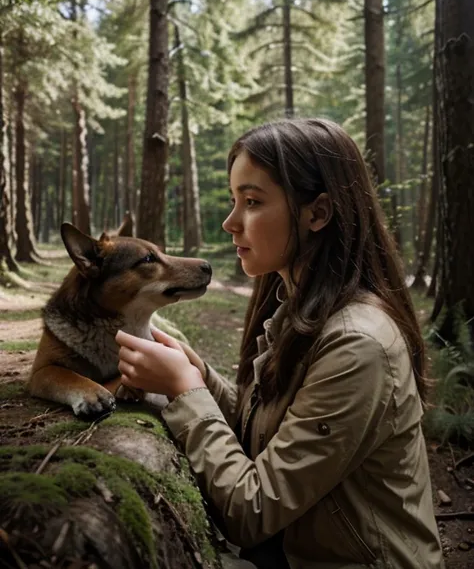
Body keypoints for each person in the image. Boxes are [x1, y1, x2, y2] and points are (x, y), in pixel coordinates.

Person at [116, 118, 444, 569]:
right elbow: (271, 435)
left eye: (251, 201)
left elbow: (252, 511)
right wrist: (201, 377)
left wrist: (185, 392)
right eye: (234, 201)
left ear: (318, 213)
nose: (231, 223)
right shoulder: (297, 309)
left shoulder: (358, 345)